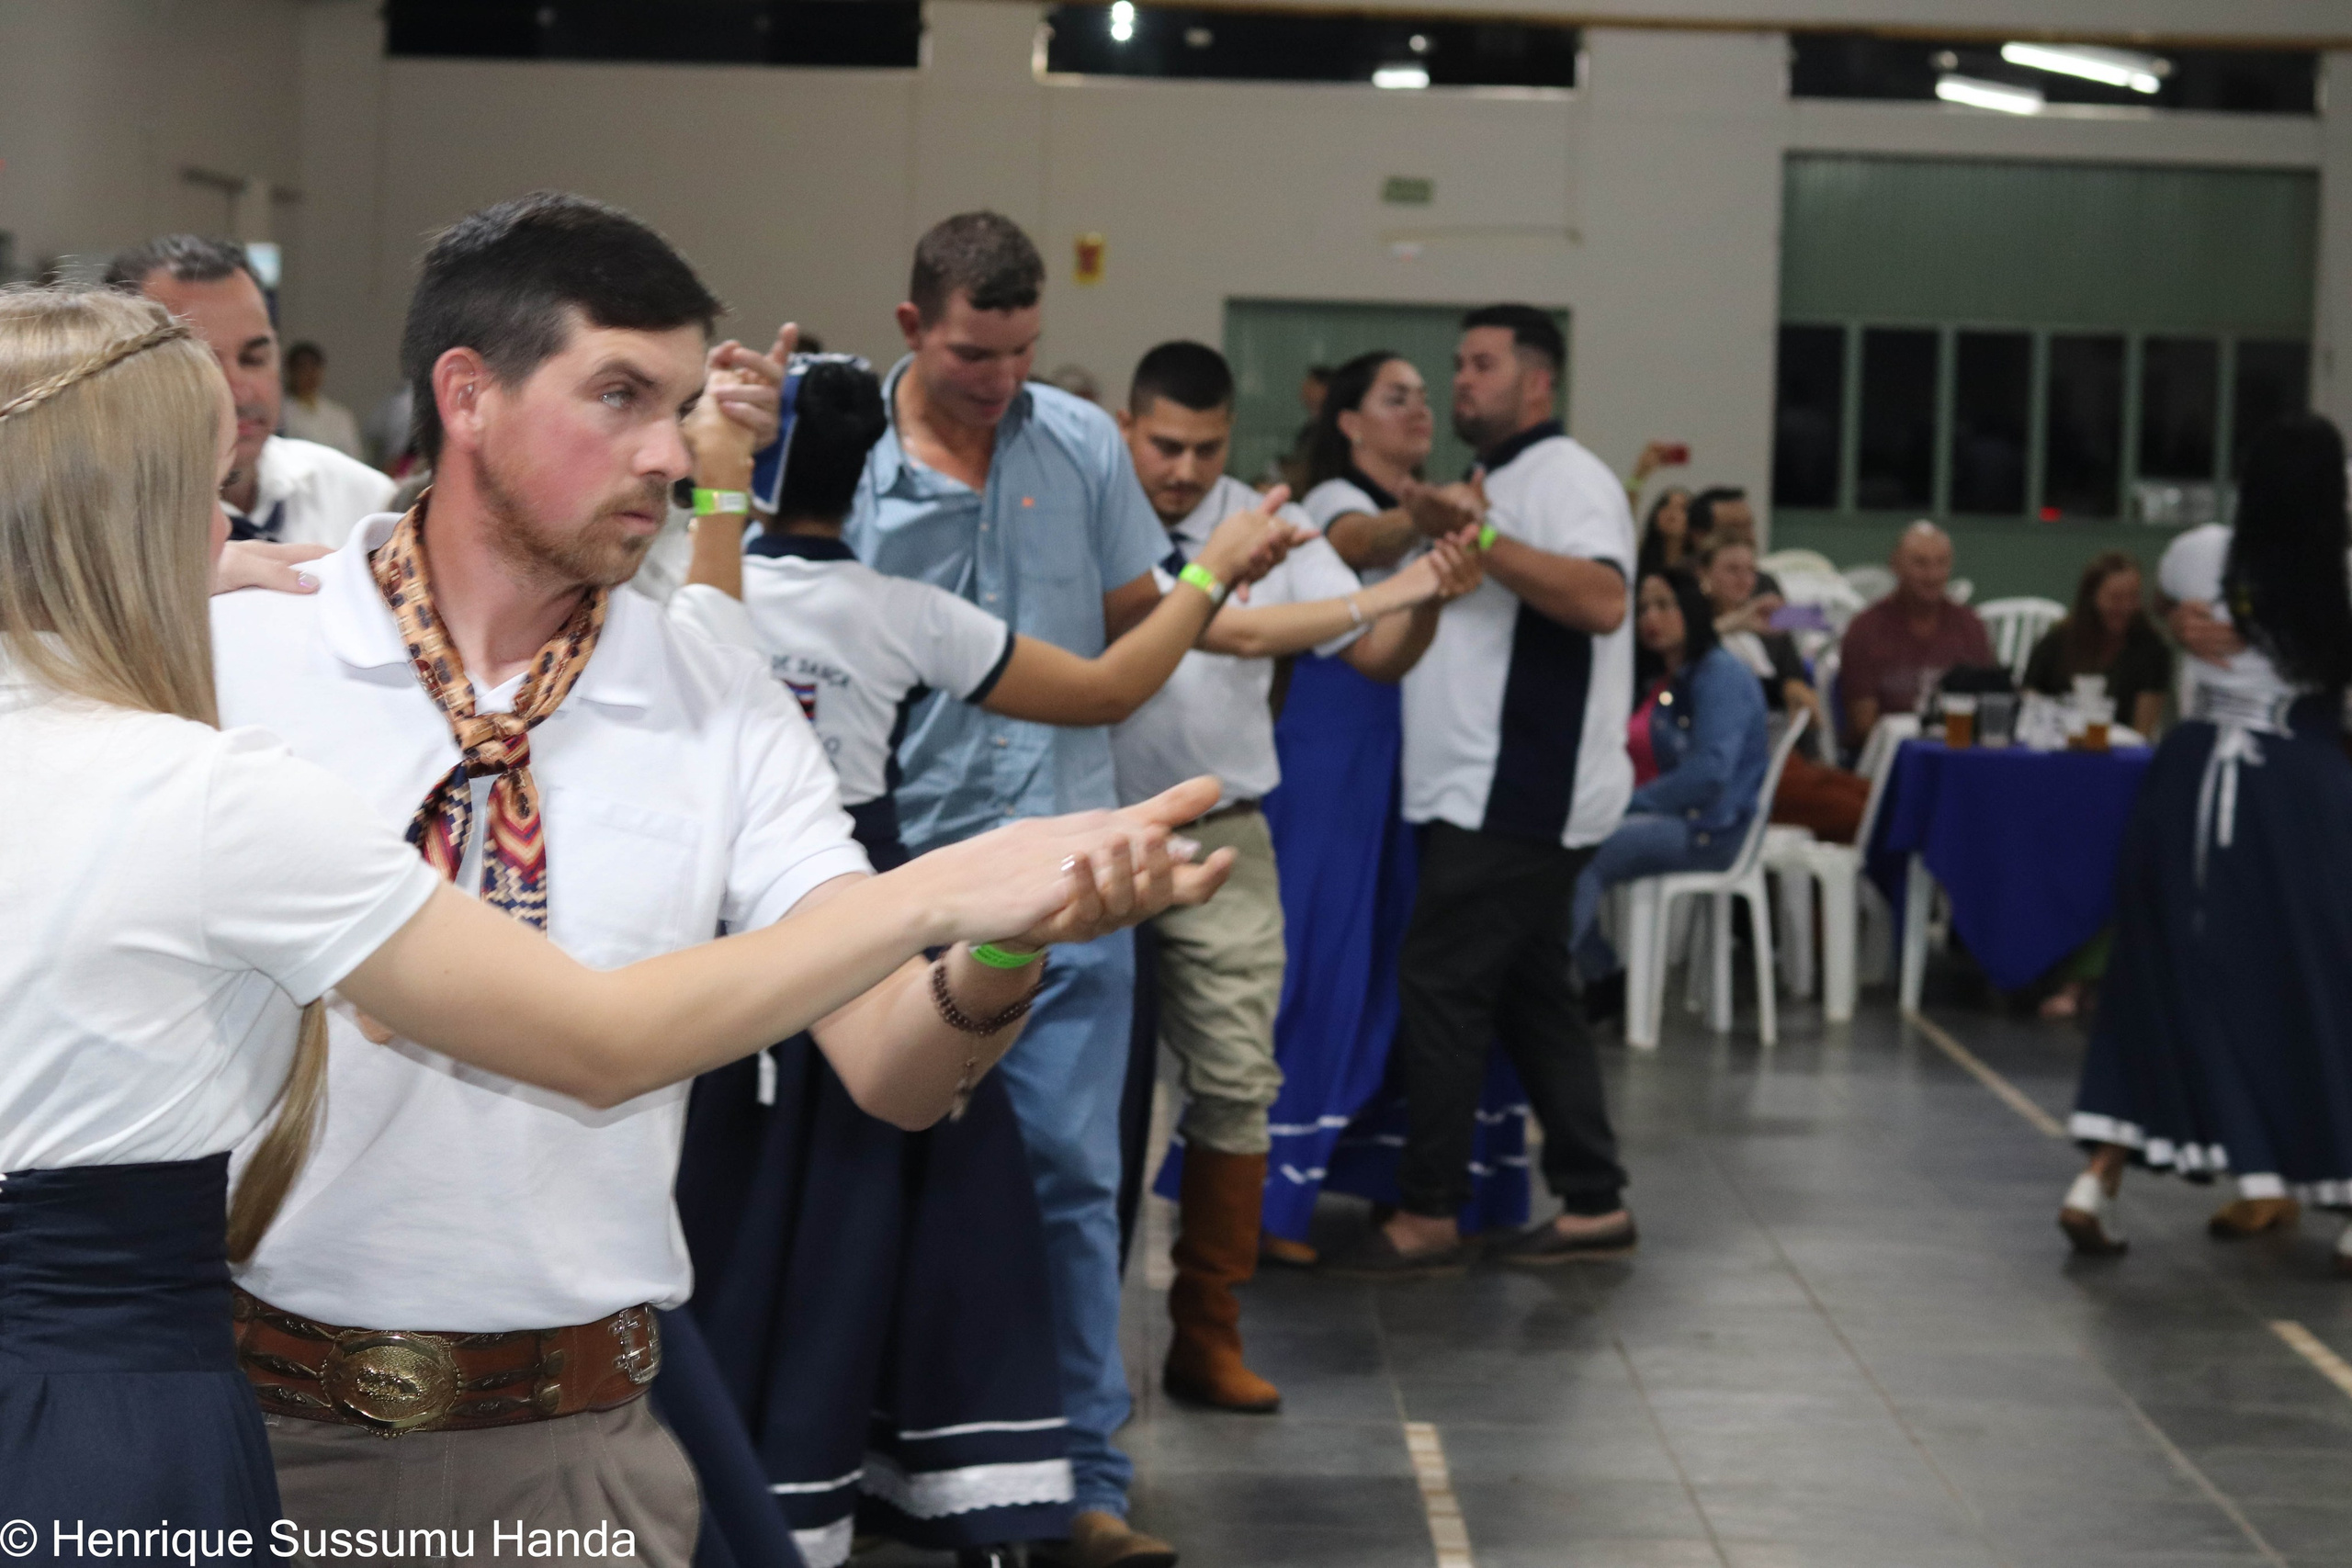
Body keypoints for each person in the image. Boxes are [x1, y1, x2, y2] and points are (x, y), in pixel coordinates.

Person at [0, 286, 1222, 1555]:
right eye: (621, 396)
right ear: (469, 395)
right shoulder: (224, 659)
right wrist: (945, 882)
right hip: (256, 1427)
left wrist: (1008, 934)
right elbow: (600, 1037)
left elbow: (893, 1067)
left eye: (690, 408)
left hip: (569, 1446)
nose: (673, 452)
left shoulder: (718, 693)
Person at [664, 354, 1285, 1567]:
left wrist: (712, 486)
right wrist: (1209, 572)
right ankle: (940, 1470)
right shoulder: (899, 608)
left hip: (733, 933)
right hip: (868, 894)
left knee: (724, 1215)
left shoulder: (678, 585)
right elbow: (1111, 684)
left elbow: (708, 619)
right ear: (870, 475)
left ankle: (734, 1466)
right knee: (930, 1202)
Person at [843, 211, 1181, 1568]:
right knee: (878, 1182)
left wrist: (1246, 595)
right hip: (901, 879)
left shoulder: (1084, 444)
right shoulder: (848, 460)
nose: (1001, 378)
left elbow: (1134, 626)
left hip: (1066, 873)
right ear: (915, 323)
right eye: (976, 350)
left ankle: (1087, 1485)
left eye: (1025, 350)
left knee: (1070, 1181)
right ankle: (874, 1458)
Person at [1109, 341, 1480, 1411]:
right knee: (1080, 1106)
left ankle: (1207, 1332)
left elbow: (1371, 658)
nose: (1181, 469)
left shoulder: (1269, 515)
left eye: (1204, 447)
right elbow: (1238, 625)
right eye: (1163, 444)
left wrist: (1431, 599)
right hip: (1088, 830)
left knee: (1235, 1083)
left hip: (1223, 829)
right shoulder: (1097, 510)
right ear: (1130, 427)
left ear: (1233, 436)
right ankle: (1068, 1355)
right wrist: (1397, 581)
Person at [1322, 303, 1638, 1275]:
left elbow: (1602, 599)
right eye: (1457, 364)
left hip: (1521, 786)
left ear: (1536, 381)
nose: (1459, 382)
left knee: (1443, 982)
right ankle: (1593, 1199)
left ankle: (1429, 1210)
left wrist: (1486, 538)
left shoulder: (1568, 477)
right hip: (1475, 783)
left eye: (1482, 365)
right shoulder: (1489, 479)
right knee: (1533, 991)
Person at [2059, 414, 2352, 1271]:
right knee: (2318, 978)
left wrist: (2200, 620)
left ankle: (2096, 1177)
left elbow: (2176, 599)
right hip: (2291, 786)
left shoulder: (2199, 557)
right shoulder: (2334, 581)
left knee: (2159, 972)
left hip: (2185, 783)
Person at [104, 236, 394, 547]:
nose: (238, 394)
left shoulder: (363, 501)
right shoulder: (97, 526)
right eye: (202, 366)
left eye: (254, 359)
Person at [1571, 570, 1770, 1005]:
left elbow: (1709, 775)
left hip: (1715, 829)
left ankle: (1567, 978)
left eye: (1664, 605)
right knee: (1567, 840)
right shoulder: (1672, 679)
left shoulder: (1721, 676)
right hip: (1679, 816)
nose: (1650, 618)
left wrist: (1631, 804)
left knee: (1585, 851)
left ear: (1692, 610)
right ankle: (1597, 974)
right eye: (1642, 608)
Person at [1700, 536, 1866, 842]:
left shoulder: (1760, 626)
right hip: (1745, 774)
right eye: (1731, 570)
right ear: (1704, 575)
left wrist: (1794, 689)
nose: (1744, 579)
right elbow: (1691, 649)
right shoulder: (1701, 631)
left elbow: (1824, 621)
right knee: (1864, 812)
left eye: (1750, 570)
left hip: (1781, 757)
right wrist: (1740, 620)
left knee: (1878, 793)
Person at [1836, 520, 1995, 748]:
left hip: (1959, 754)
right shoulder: (1866, 629)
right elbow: (1863, 726)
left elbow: (1989, 704)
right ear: (1895, 565)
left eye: (1941, 563)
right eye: (1920, 564)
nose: (1932, 575)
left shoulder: (1970, 625)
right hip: (1889, 761)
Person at [2025, 549, 2172, 739]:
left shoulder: (2152, 650)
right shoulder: (2055, 644)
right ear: (2091, 597)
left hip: (2121, 753)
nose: (2126, 607)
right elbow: (2029, 704)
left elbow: (2141, 734)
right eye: (2116, 598)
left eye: (2133, 597)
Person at [279, 340, 364, 459]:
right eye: (303, 368)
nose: (309, 374)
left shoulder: (339, 415)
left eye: (313, 367)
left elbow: (354, 456)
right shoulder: (280, 413)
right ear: (291, 371)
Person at [1634, 484, 1693, 580]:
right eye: (1666, 505)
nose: (1672, 512)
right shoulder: (1637, 560)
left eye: (1682, 508)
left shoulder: (1699, 566)